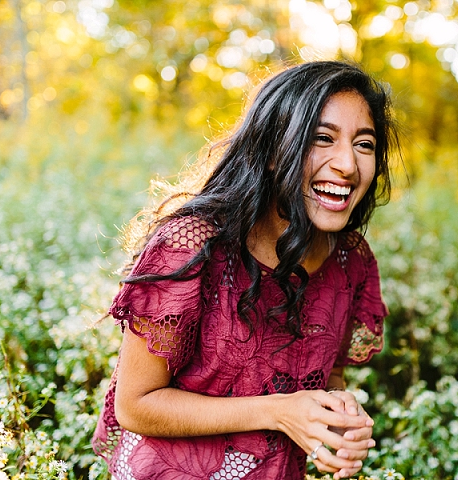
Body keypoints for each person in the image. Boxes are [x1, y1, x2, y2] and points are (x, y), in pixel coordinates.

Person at [92, 60, 397, 480]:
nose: (347, 163)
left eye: (364, 144)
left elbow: (328, 376)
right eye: (321, 138)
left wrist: (336, 420)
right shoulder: (191, 246)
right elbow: (136, 404)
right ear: (272, 151)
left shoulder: (351, 260)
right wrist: (278, 412)